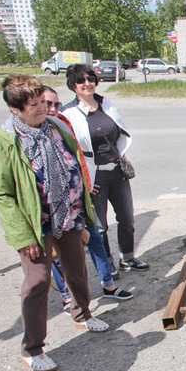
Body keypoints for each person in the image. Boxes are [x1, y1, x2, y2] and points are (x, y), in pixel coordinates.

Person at [0, 74, 110, 371]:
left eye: (44, 102)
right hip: (35, 225)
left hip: (68, 215)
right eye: (35, 105)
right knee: (38, 282)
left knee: (77, 269)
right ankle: (33, 348)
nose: (44, 108)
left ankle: (82, 316)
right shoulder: (5, 141)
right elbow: (2, 193)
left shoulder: (55, 127)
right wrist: (23, 236)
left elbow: (76, 166)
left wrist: (82, 216)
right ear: (15, 108)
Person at [43, 86, 133, 304]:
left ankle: (108, 285)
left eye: (56, 104)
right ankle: (67, 297)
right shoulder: (34, 135)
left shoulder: (62, 127)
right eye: (47, 104)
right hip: (53, 208)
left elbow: (80, 156)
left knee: (95, 241)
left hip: (77, 201)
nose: (53, 109)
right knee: (59, 254)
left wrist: (86, 180)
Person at [61, 64, 150, 277]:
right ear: (73, 85)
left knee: (127, 219)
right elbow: (68, 151)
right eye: (81, 81)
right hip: (94, 176)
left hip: (116, 171)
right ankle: (106, 264)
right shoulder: (69, 112)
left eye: (90, 79)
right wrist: (83, 179)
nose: (87, 84)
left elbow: (119, 132)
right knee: (100, 227)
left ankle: (127, 258)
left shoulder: (105, 103)